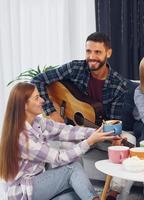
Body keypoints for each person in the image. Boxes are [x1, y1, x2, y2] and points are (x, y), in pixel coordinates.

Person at [31, 32, 137, 200]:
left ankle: (113, 194)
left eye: (97, 52)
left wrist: (115, 136)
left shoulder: (119, 85)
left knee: (129, 142)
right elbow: (38, 80)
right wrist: (52, 111)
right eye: (88, 51)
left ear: (108, 53)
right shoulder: (75, 68)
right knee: (65, 145)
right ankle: (82, 194)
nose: (91, 57)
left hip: (101, 134)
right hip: (75, 132)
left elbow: (114, 121)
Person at [0, 82, 118, 200]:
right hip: (25, 191)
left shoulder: (38, 122)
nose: (42, 100)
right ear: (24, 105)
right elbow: (58, 158)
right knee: (72, 168)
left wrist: (99, 132)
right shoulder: (22, 138)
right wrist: (89, 142)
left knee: (77, 193)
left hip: (40, 183)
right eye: (37, 98)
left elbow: (64, 130)